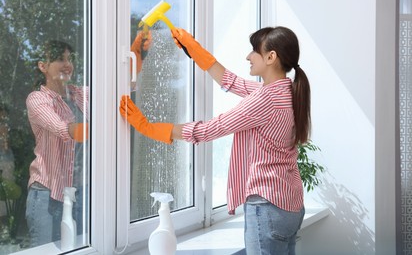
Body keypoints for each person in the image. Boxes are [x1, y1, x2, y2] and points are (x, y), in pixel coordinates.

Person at [119, 26, 311, 255]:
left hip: (267, 207)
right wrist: (194, 49)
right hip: (291, 205)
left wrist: (149, 128)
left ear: (271, 57)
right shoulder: (287, 91)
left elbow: (210, 129)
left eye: (254, 51)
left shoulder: (265, 99)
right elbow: (232, 82)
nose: (248, 56)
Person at [26, 32, 151, 247]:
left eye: (69, 59)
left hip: (81, 194)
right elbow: (63, 129)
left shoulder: (80, 94)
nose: (67, 64)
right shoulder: (37, 99)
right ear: (42, 66)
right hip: (48, 196)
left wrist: (138, 53)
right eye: (59, 59)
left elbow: (122, 87)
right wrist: (106, 129)